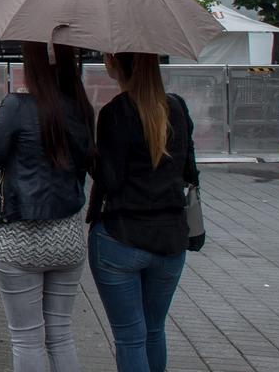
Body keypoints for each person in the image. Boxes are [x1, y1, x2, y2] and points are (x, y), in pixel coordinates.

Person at [0, 43, 94, 372]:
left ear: (32, 66)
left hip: (19, 238)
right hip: (69, 237)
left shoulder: (17, 104)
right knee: (60, 335)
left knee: (26, 338)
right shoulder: (82, 108)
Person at [87, 52, 199, 372]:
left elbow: (111, 179)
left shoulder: (115, 113)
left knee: (129, 338)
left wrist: (93, 154)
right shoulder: (177, 107)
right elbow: (190, 171)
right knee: (153, 331)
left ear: (116, 63)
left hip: (121, 238)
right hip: (171, 240)